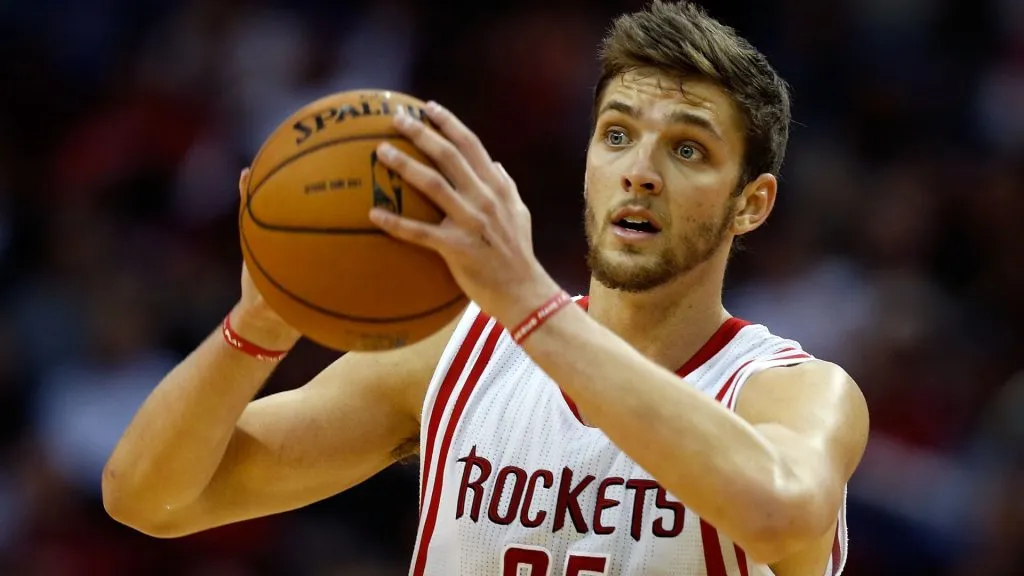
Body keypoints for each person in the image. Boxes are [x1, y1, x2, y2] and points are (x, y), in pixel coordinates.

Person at [102, 2, 869, 575]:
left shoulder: (791, 392)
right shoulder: (455, 358)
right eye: (617, 134)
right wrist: (263, 316)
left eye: (689, 148)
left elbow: (778, 512)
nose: (640, 169)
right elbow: (149, 498)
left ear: (752, 202)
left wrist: (529, 303)